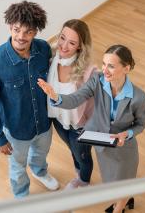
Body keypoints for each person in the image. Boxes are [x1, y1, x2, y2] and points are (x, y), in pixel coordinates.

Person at [38, 45, 145, 213]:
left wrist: (128, 133)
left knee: (124, 180)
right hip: (103, 144)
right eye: (104, 64)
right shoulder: (97, 81)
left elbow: (141, 124)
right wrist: (56, 97)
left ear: (126, 68)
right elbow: (76, 99)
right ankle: (126, 199)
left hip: (124, 149)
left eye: (111, 66)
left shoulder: (138, 97)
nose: (104, 69)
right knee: (111, 180)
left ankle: (118, 208)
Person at [0, 1, 59, 198]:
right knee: (17, 167)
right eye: (16, 30)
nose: (21, 37)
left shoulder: (43, 50)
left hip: (43, 123)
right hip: (16, 131)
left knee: (40, 155)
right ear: (10, 27)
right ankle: (21, 195)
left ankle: (39, 172)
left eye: (28, 32)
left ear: (36, 32)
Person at [48, 19, 96, 189]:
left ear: (80, 47)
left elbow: (98, 105)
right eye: (62, 38)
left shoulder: (89, 72)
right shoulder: (52, 59)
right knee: (73, 150)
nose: (64, 46)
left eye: (72, 42)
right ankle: (79, 173)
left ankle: (83, 181)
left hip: (80, 126)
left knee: (83, 155)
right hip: (58, 119)